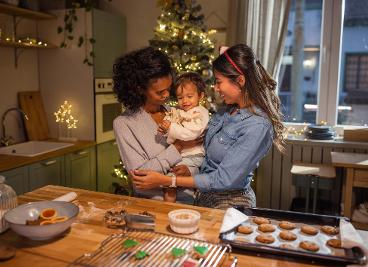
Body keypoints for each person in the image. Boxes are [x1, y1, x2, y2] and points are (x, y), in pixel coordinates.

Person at [131, 44, 285, 209]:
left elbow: (223, 179)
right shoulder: (225, 111)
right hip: (203, 198)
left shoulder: (257, 125)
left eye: (219, 82)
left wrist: (168, 180)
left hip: (230, 203)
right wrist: (190, 171)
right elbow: (208, 159)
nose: (215, 88)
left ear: (240, 80)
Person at [112, 47, 200, 202]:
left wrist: (189, 170)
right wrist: (177, 147)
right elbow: (140, 178)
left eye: (168, 89)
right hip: (153, 207)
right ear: (140, 89)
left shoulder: (177, 112)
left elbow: (198, 155)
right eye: (160, 92)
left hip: (191, 203)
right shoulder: (124, 124)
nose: (167, 95)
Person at [158, 72, 209, 202]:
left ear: (200, 96)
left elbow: (191, 133)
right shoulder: (179, 111)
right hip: (181, 154)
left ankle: (169, 205)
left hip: (193, 155)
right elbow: (172, 133)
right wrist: (164, 129)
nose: (185, 101)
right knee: (167, 173)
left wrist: (171, 128)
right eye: (180, 98)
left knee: (171, 178)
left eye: (189, 96)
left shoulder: (200, 113)